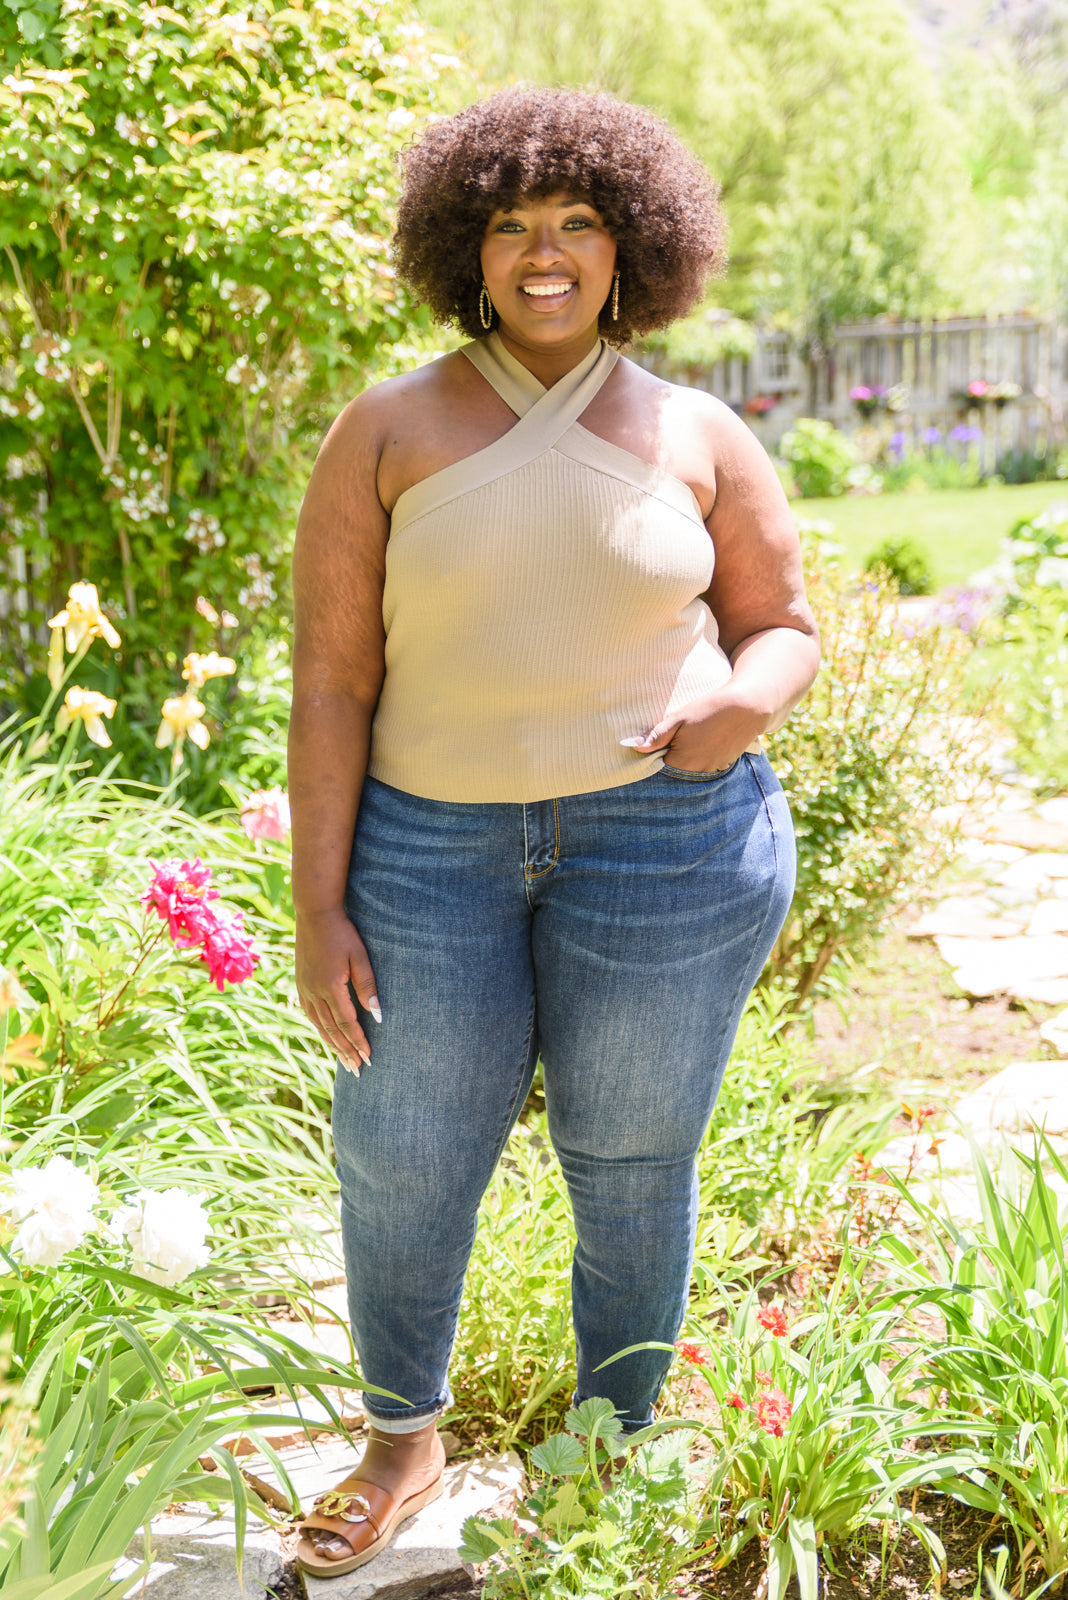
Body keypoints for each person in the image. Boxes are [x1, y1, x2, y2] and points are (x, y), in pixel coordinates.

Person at [288, 85, 819, 1578]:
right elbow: (331, 681)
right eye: (513, 224)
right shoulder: (385, 429)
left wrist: (741, 707)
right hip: (427, 855)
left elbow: (783, 625)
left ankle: (610, 1456)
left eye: (578, 221)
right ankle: (403, 1441)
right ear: (464, 246)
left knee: (634, 1160)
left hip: (667, 847)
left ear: (629, 244)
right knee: (401, 1155)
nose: (545, 252)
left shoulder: (698, 429)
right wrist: (317, 905)